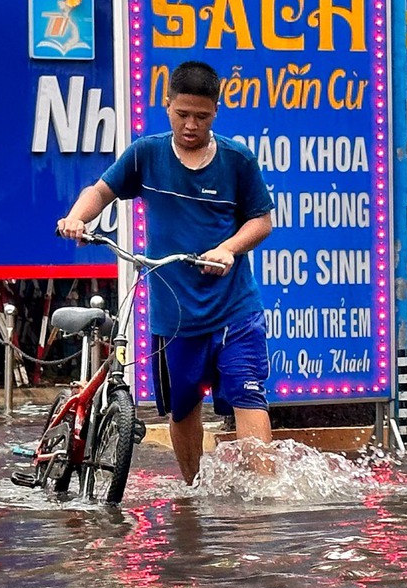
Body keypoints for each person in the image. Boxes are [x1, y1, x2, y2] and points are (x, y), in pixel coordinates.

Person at [57, 58, 274, 483]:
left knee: (250, 398)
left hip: (235, 311)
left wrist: (228, 249)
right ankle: (192, 490)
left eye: (202, 116)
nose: (191, 125)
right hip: (174, 316)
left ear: (216, 111)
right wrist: (76, 218)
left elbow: (261, 220)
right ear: (167, 104)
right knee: (183, 406)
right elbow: (100, 192)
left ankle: (265, 505)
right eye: (182, 114)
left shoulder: (238, 161)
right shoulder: (146, 154)